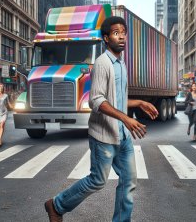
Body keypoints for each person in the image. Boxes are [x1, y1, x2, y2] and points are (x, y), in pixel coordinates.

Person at [44, 16, 159, 222]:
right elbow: (96, 101)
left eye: (123, 32)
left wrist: (139, 102)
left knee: (128, 180)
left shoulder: (121, 64)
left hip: (122, 136)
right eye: (116, 33)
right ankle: (56, 205)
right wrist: (126, 119)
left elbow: (117, 100)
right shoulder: (102, 63)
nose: (122, 36)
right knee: (97, 181)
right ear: (106, 38)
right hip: (104, 135)